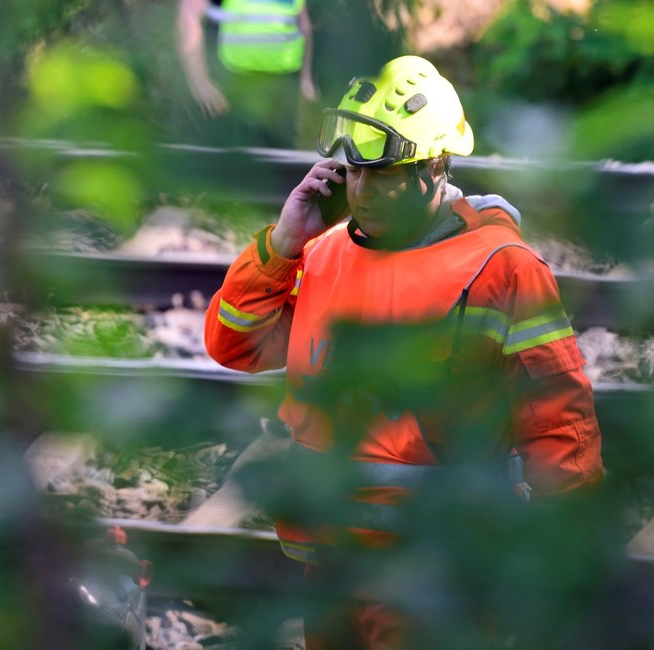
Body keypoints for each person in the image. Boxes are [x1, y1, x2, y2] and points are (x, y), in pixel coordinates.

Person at [203, 55, 605, 648]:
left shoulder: (502, 267)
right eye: (354, 170)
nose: (361, 190)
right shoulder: (325, 250)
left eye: (383, 174)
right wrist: (283, 243)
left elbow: (559, 422)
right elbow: (236, 346)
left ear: (436, 166)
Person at [176, 0, 319, 148]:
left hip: (284, 86)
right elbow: (189, 16)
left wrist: (305, 80)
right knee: (228, 158)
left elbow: (303, 24)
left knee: (279, 159)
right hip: (231, 85)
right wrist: (199, 82)